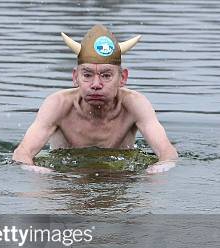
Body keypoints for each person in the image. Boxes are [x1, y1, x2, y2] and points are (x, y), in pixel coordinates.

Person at [12, 24, 178, 174]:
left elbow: (167, 152)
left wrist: (162, 166)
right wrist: (32, 169)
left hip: (120, 178)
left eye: (106, 75)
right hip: (67, 180)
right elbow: (22, 153)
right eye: (87, 75)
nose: (96, 84)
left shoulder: (134, 104)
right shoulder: (58, 105)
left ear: (123, 78)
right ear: (75, 77)